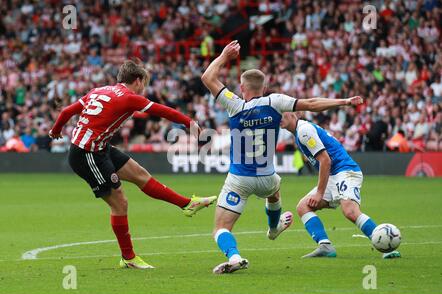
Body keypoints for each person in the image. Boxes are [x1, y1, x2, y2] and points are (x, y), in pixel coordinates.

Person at [201, 40, 365, 274]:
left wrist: (225, 56)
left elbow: (207, 77)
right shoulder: (275, 102)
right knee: (274, 191)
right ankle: (273, 228)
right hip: (267, 176)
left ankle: (235, 256)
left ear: (242, 87)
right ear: (264, 86)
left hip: (239, 178)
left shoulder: (233, 104)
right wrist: (344, 102)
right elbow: (311, 104)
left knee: (220, 228)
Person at [49, 60, 217, 269]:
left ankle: (187, 204)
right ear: (137, 80)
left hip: (99, 147)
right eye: (144, 83)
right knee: (120, 202)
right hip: (87, 154)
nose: (143, 88)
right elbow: (163, 111)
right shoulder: (129, 98)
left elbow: (65, 112)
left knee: (140, 174)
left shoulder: (99, 90)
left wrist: (55, 131)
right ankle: (128, 258)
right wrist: (189, 122)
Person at [280, 112, 401, 259]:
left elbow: (326, 161)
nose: (278, 118)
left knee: (349, 210)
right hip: (333, 175)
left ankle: (387, 248)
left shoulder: (304, 131)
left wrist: (319, 193)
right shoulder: (300, 132)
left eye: (282, 114)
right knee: (303, 206)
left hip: (345, 171)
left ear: (293, 114)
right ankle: (325, 246)